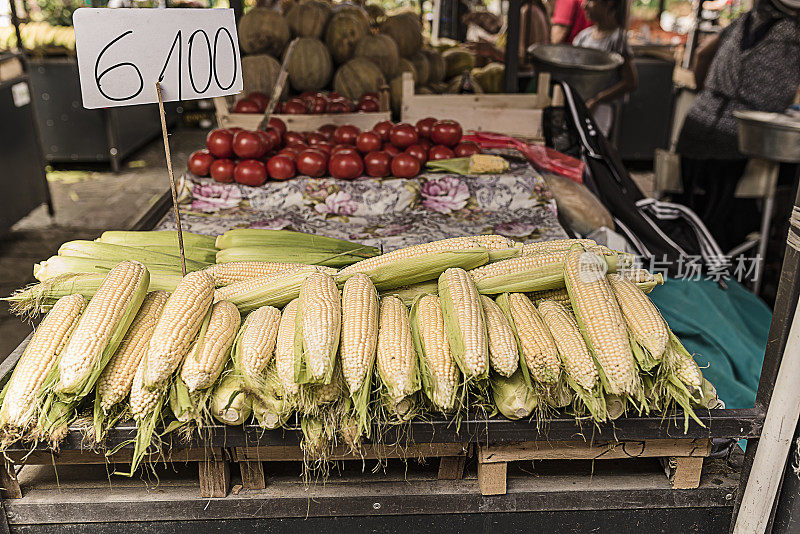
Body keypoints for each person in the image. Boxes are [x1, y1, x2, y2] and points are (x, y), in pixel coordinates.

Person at [675, 0, 800, 250]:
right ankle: (728, 255)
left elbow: (702, 54)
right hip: (741, 136)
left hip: (697, 123)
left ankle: (683, 245)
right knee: (726, 213)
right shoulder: (794, 34)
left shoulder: (742, 22)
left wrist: (707, 94)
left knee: (691, 204)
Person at [571, 0, 638, 138]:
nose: (584, 5)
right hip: (579, 105)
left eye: (591, 1)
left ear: (608, 3)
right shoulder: (583, 37)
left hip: (601, 110)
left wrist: (597, 100)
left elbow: (630, 82)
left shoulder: (617, 39)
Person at [464, 1, 550, 65]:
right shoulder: (532, 7)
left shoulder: (527, 11)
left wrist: (491, 50)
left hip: (525, 82)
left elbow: (523, 59)